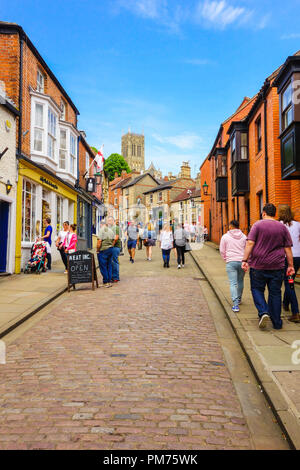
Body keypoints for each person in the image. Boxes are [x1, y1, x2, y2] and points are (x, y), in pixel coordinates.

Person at [242, 203, 295, 330]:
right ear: (275, 214)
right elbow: (287, 248)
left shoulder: (257, 225)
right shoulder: (282, 228)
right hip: (277, 266)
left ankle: (263, 311)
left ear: (263, 213)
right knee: (275, 293)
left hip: (258, 265)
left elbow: (250, 243)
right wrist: (291, 265)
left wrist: (244, 260)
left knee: (257, 289)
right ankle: (277, 322)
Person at [278, 205, 300, 323]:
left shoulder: (279, 225)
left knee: (288, 283)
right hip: (298, 257)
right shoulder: (298, 224)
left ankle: (296, 312)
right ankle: (286, 304)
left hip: (286, 257)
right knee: (290, 279)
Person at [219, 220, 247, 313]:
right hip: (241, 261)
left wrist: (226, 259)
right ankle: (239, 299)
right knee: (240, 281)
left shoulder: (225, 237)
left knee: (233, 283)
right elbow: (247, 249)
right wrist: (246, 260)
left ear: (230, 226)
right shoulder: (244, 237)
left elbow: (222, 250)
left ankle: (235, 305)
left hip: (231, 261)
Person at [97, 220, 114, 287]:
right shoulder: (111, 230)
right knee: (109, 265)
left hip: (103, 250)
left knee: (103, 266)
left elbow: (99, 241)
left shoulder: (102, 230)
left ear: (101, 224)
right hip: (110, 249)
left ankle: (106, 282)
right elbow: (113, 240)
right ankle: (109, 281)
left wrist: (97, 250)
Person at [108, 216, 121, 283]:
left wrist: (111, 245)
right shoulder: (110, 228)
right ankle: (112, 276)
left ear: (113, 221)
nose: (108, 222)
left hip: (115, 247)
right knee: (111, 262)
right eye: (108, 220)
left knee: (114, 262)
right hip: (111, 247)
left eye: (110, 220)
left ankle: (115, 277)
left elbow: (116, 238)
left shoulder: (116, 228)